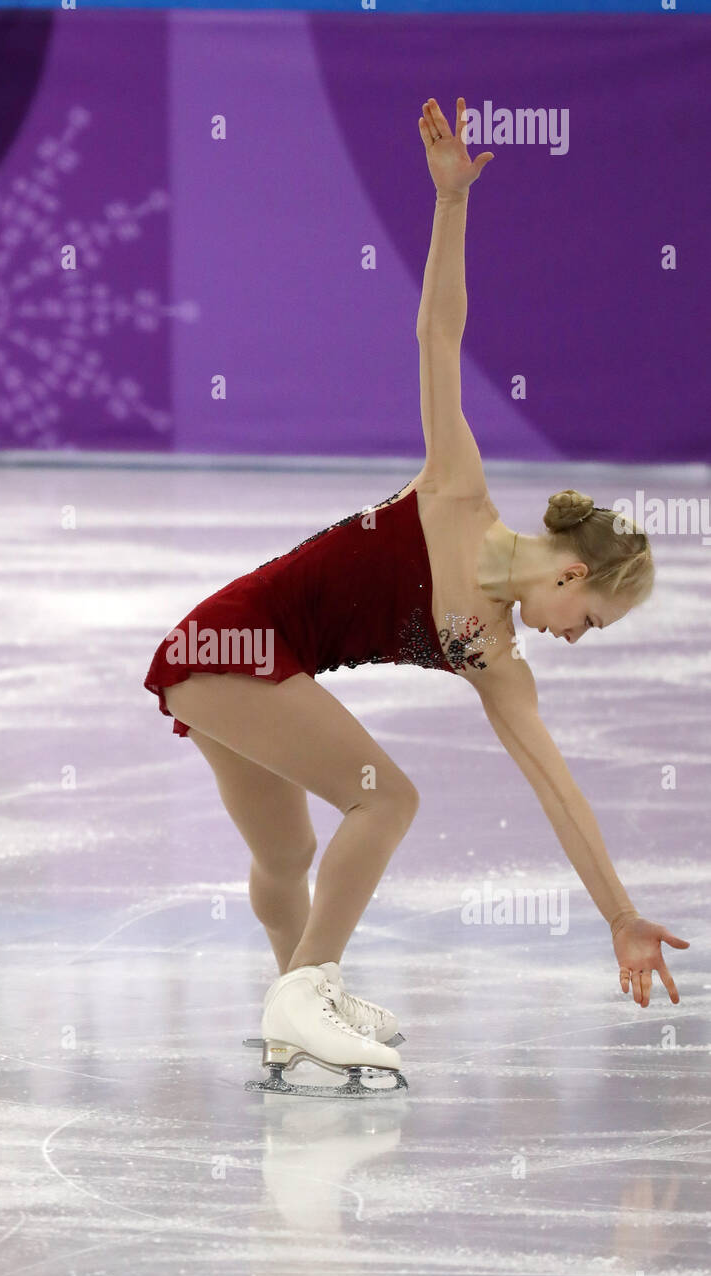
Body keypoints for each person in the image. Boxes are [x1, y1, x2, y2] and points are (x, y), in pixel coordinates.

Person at [143, 97, 688, 1092]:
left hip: (232, 661)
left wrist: (617, 913)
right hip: (227, 643)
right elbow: (441, 333)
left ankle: (288, 1010)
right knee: (384, 797)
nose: (582, 638)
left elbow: (558, 790)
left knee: (293, 849)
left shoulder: (499, 659)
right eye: (594, 620)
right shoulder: (458, 492)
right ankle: (308, 987)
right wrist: (450, 206)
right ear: (573, 571)